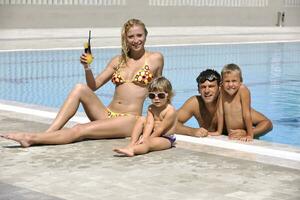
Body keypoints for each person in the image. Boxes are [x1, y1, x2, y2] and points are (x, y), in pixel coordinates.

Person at [0, 18, 164, 147]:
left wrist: (157, 123)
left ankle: (32, 138)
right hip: (106, 114)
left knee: (79, 129)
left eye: (139, 35)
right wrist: (87, 67)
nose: (136, 40)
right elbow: (94, 86)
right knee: (80, 88)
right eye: (131, 36)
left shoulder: (155, 59)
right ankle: (49, 132)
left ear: (145, 35)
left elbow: (160, 92)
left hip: (130, 119)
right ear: (125, 39)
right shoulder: (118, 61)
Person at [175, 68, 272, 139]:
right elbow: (170, 122)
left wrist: (248, 133)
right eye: (203, 87)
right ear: (198, 90)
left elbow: (267, 123)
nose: (207, 91)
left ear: (219, 88)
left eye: (211, 86)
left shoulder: (230, 103)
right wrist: (192, 131)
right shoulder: (195, 103)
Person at [113, 76, 177, 157]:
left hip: (166, 138)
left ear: (168, 95)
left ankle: (132, 150)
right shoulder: (151, 108)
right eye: (152, 96)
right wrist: (144, 137)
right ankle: (132, 144)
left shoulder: (170, 111)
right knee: (142, 119)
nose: (156, 98)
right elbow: (149, 124)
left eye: (160, 95)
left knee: (147, 143)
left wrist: (146, 140)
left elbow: (160, 129)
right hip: (153, 133)